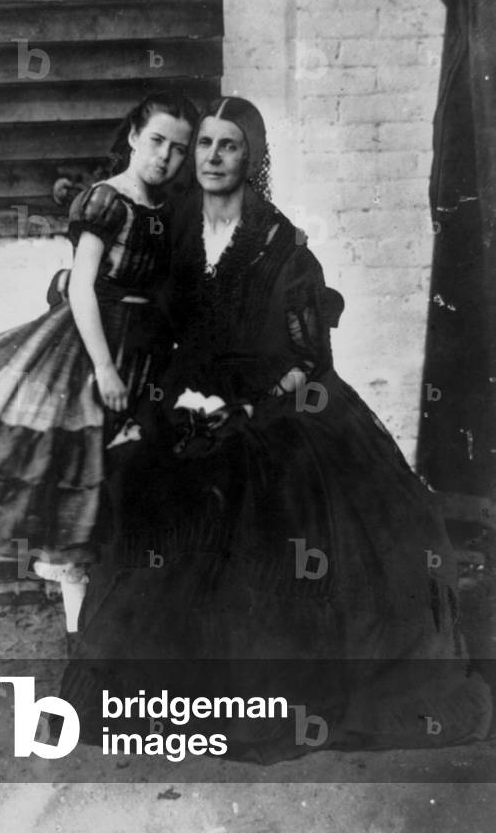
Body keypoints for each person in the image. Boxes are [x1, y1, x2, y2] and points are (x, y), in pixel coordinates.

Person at [60, 96, 492, 763]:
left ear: (251, 157)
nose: (209, 158)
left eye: (227, 146)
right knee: (153, 495)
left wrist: (249, 411)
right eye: (202, 144)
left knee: (276, 513)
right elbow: (126, 293)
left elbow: (308, 360)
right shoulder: (171, 224)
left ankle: (276, 691)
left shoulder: (279, 240)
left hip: (280, 407)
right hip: (185, 395)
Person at [0, 91, 197, 639]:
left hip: (144, 351)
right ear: (135, 137)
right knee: (78, 475)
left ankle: (121, 628)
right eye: (157, 141)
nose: (165, 157)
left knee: (124, 483)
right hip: (92, 350)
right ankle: (80, 632)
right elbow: (84, 288)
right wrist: (104, 369)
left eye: (179, 149)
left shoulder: (167, 210)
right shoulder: (107, 200)